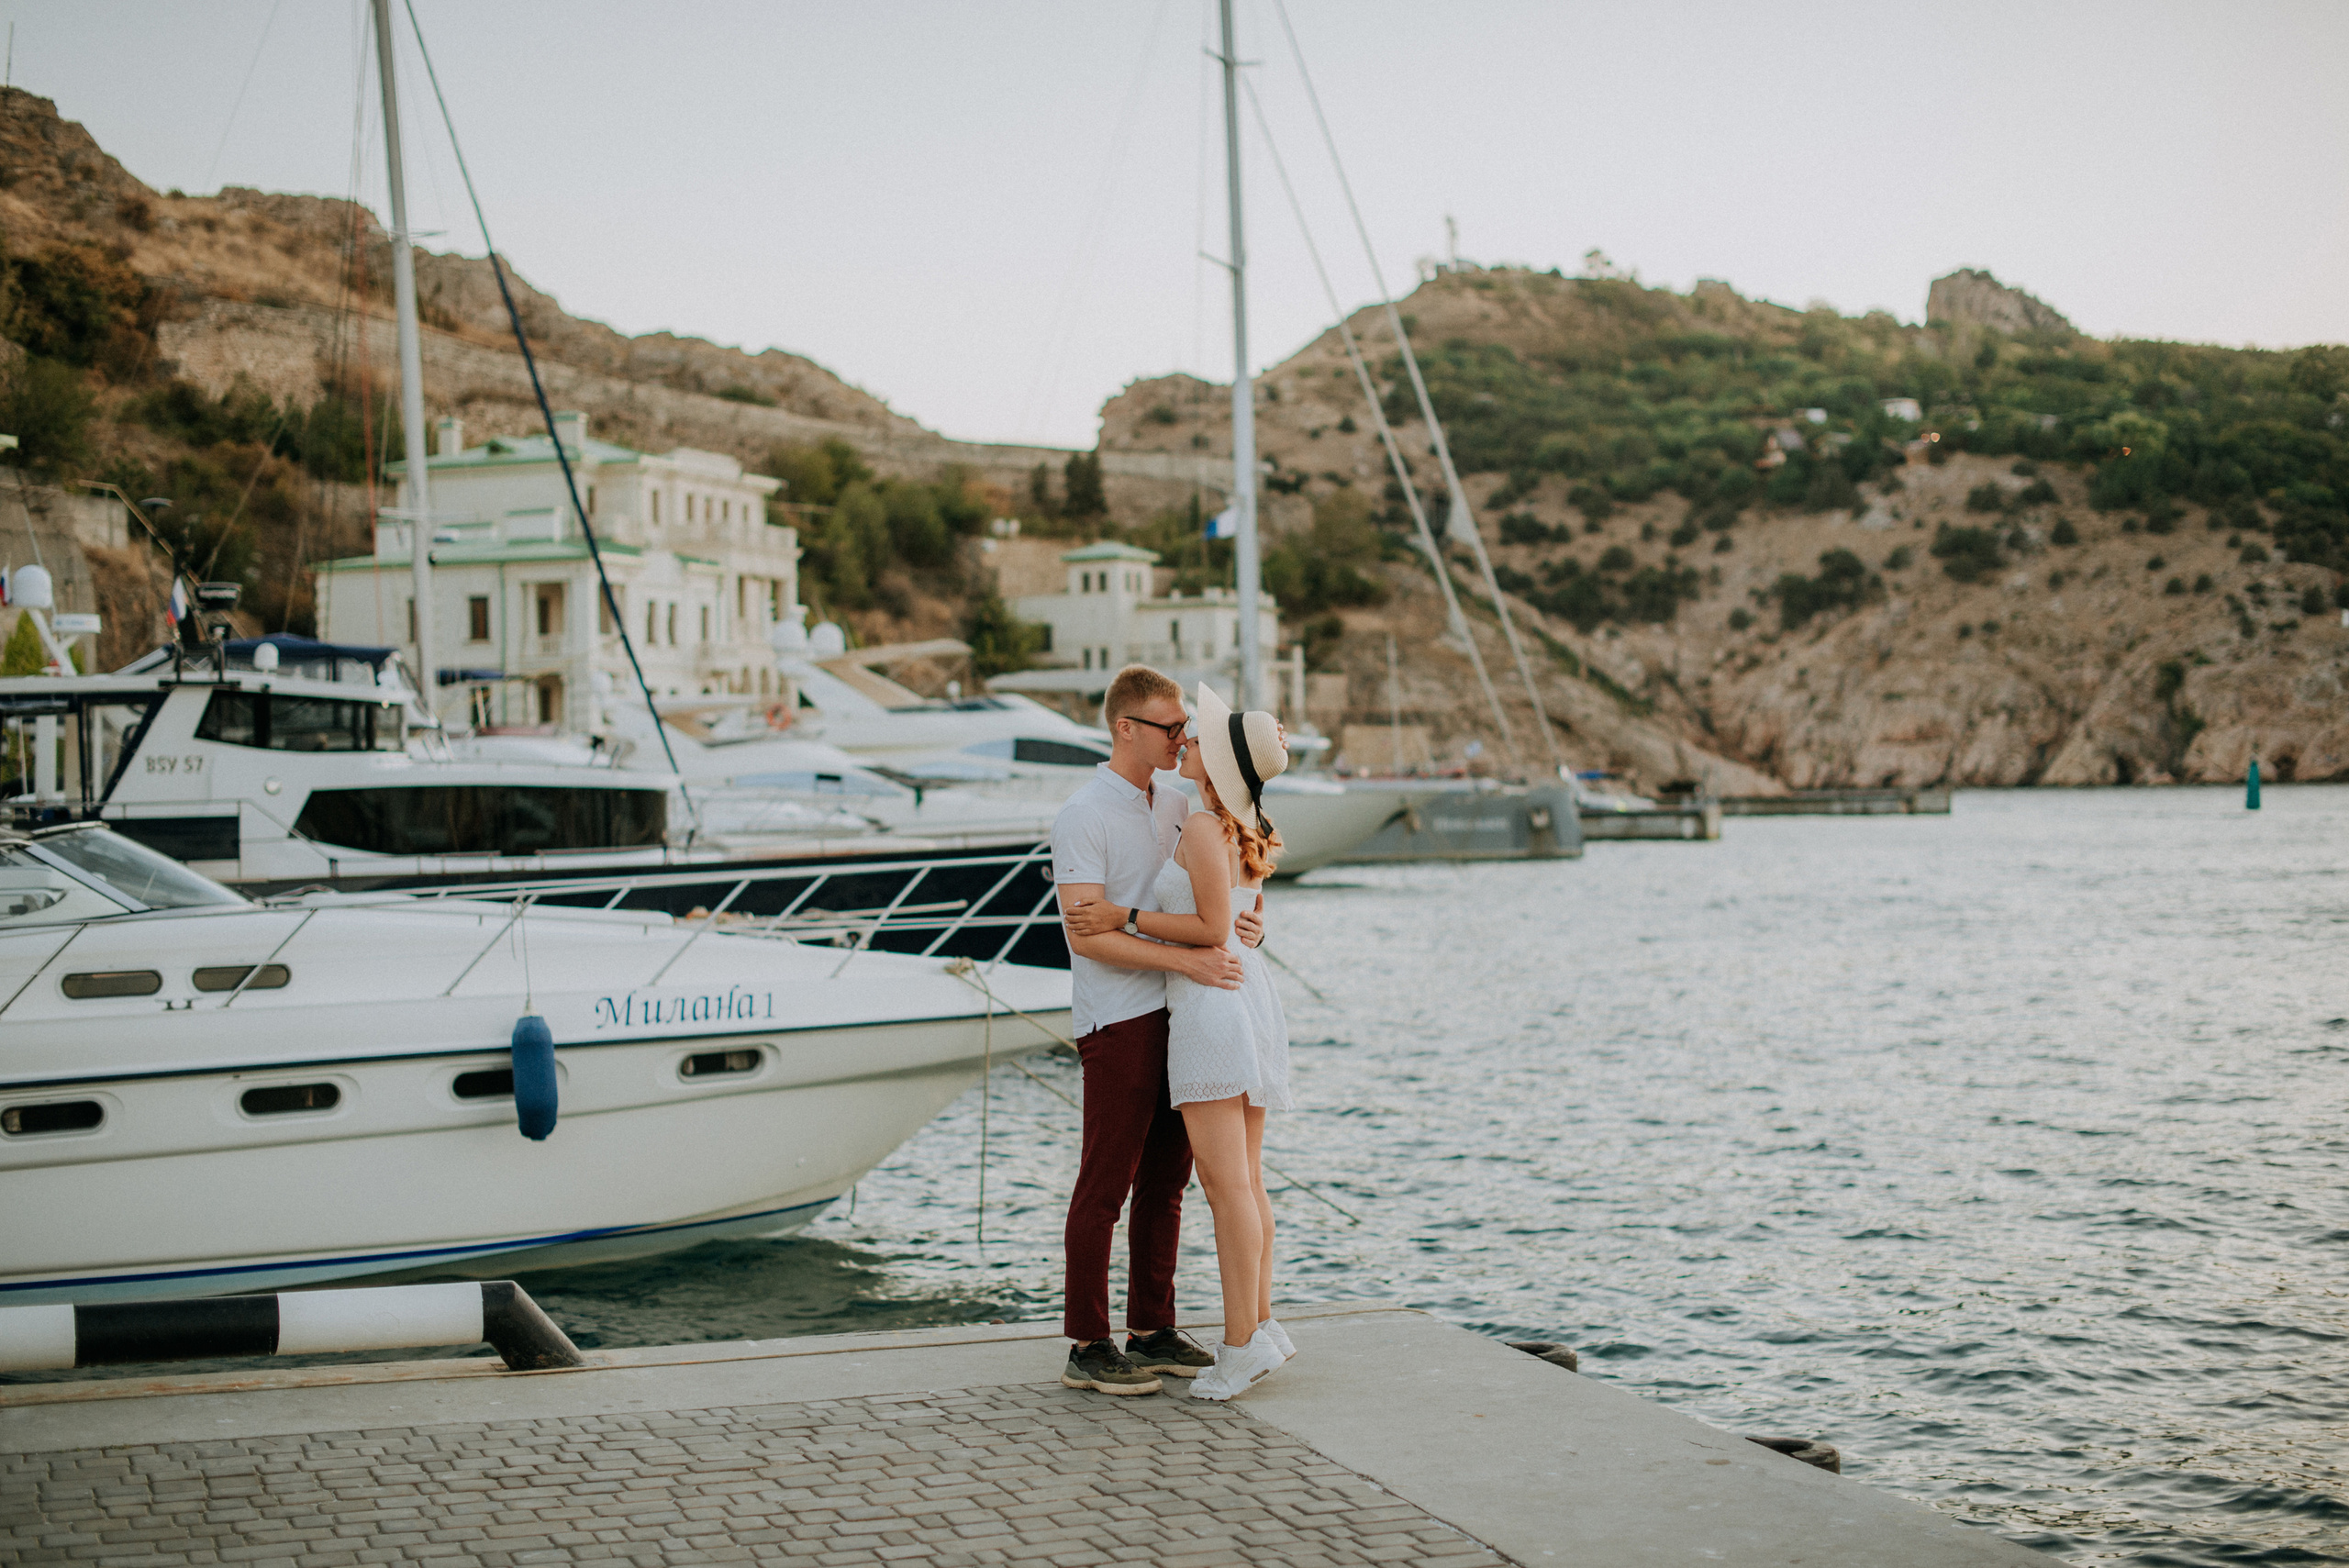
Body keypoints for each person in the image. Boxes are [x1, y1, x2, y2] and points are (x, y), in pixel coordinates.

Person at [1065, 683, 1294, 1400]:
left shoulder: (1184, 809)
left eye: (1189, 732)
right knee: (1113, 1183)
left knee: (1184, 1186)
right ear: (1127, 728)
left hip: (1196, 1007)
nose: (1181, 738)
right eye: (1173, 727)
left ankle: (1169, 1329)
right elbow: (1087, 930)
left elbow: (1222, 909)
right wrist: (1216, 937)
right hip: (1124, 1011)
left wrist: (1241, 927)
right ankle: (1091, 1341)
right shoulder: (1084, 813)